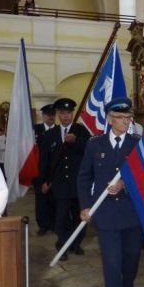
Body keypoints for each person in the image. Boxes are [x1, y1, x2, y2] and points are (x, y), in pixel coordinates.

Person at [77, 97, 143, 287]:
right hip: (105, 213)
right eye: (121, 118)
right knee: (112, 263)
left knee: (132, 258)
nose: (126, 121)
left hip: (132, 212)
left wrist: (125, 184)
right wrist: (85, 206)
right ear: (110, 119)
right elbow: (84, 177)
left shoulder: (137, 143)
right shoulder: (95, 144)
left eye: (128, 117)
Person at [39, 98, 88, 259]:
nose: (65, 116)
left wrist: (76, 142)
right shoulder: (49, 135)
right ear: (58, 115)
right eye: (62, 113)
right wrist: (44, 181)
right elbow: (44, 160)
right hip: (59, 184)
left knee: (78, 216)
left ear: (73, 114)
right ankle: (62, 246)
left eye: (68, 113)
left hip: (78, 183)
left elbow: (89, 151)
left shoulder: (81, 131)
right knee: (60, 217)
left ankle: (76, 243)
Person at [33, 104, 57, 235]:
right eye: (48, 114)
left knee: (54, 199)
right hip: (38, 171)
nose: (50, 117)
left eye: (52, 114)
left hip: (54, 171)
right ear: (43, 116)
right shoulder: (35, 130)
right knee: (41, 200)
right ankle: (43, 225)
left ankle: (53, 224)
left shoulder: (59, 130)